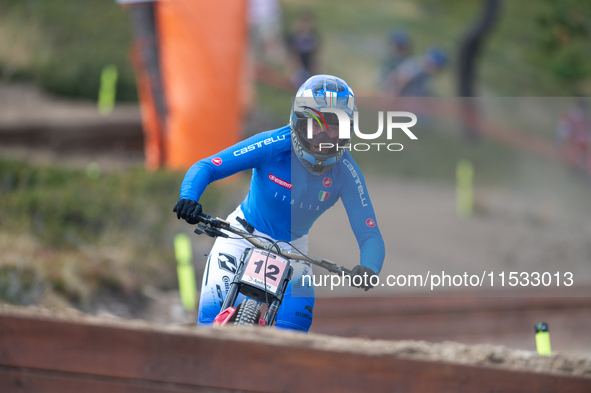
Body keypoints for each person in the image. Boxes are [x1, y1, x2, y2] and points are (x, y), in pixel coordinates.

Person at [174, 75, 386, 332]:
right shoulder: (273, 144)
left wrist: (369, 267)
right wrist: (188, 197)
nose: (322, 136)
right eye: (314, 125)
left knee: (294, 336)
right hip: (241, 234)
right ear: (297, 123)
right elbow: (207, 166)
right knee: (209, 319)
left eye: (333, 126)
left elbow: (370, 234)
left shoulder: (346, 173)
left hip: (293, 248)